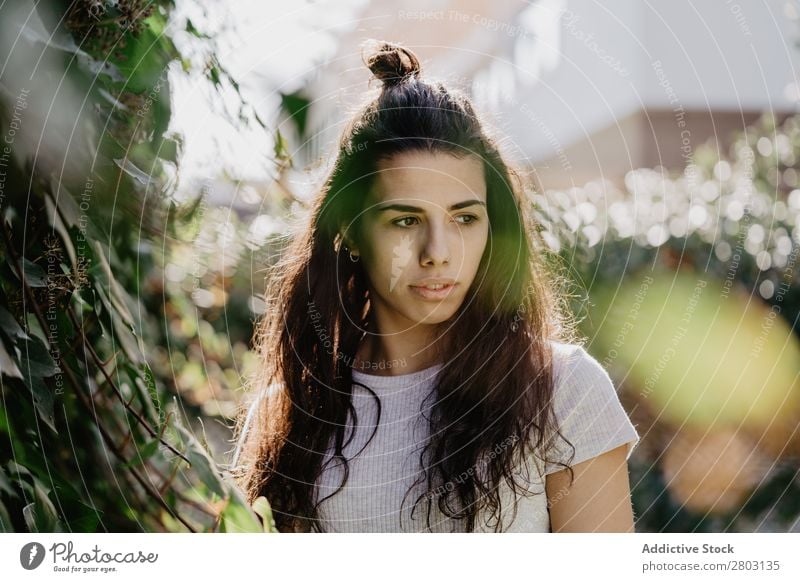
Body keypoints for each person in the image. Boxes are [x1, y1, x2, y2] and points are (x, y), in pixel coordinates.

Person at [231, 40, 639, 533]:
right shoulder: (287, 413)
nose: (438, 252)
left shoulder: (563, 390)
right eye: (405, 220)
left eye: (465, 218)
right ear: (352, 231)